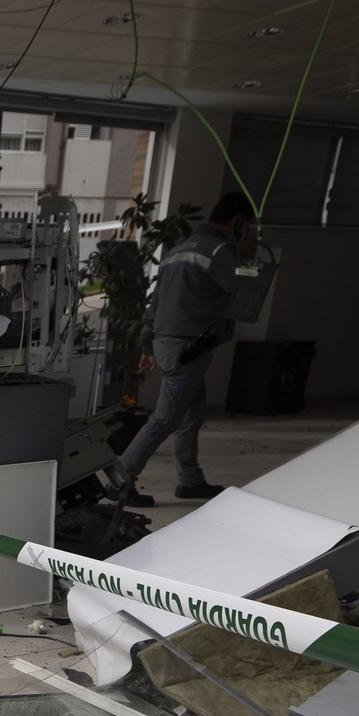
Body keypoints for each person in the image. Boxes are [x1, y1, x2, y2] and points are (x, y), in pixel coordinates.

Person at [115, 191, 256, 507]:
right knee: (165, 418)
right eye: (247, 226)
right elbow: (242, 291)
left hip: (170, 343)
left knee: (192, 414)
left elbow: (156, 302)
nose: (249, 232)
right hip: (187, 347)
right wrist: (244, 254)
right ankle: (121, 479)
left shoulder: (177, 250)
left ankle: (190, 480)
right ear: (236, 221)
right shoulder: (220, 251)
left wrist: (148, 343)